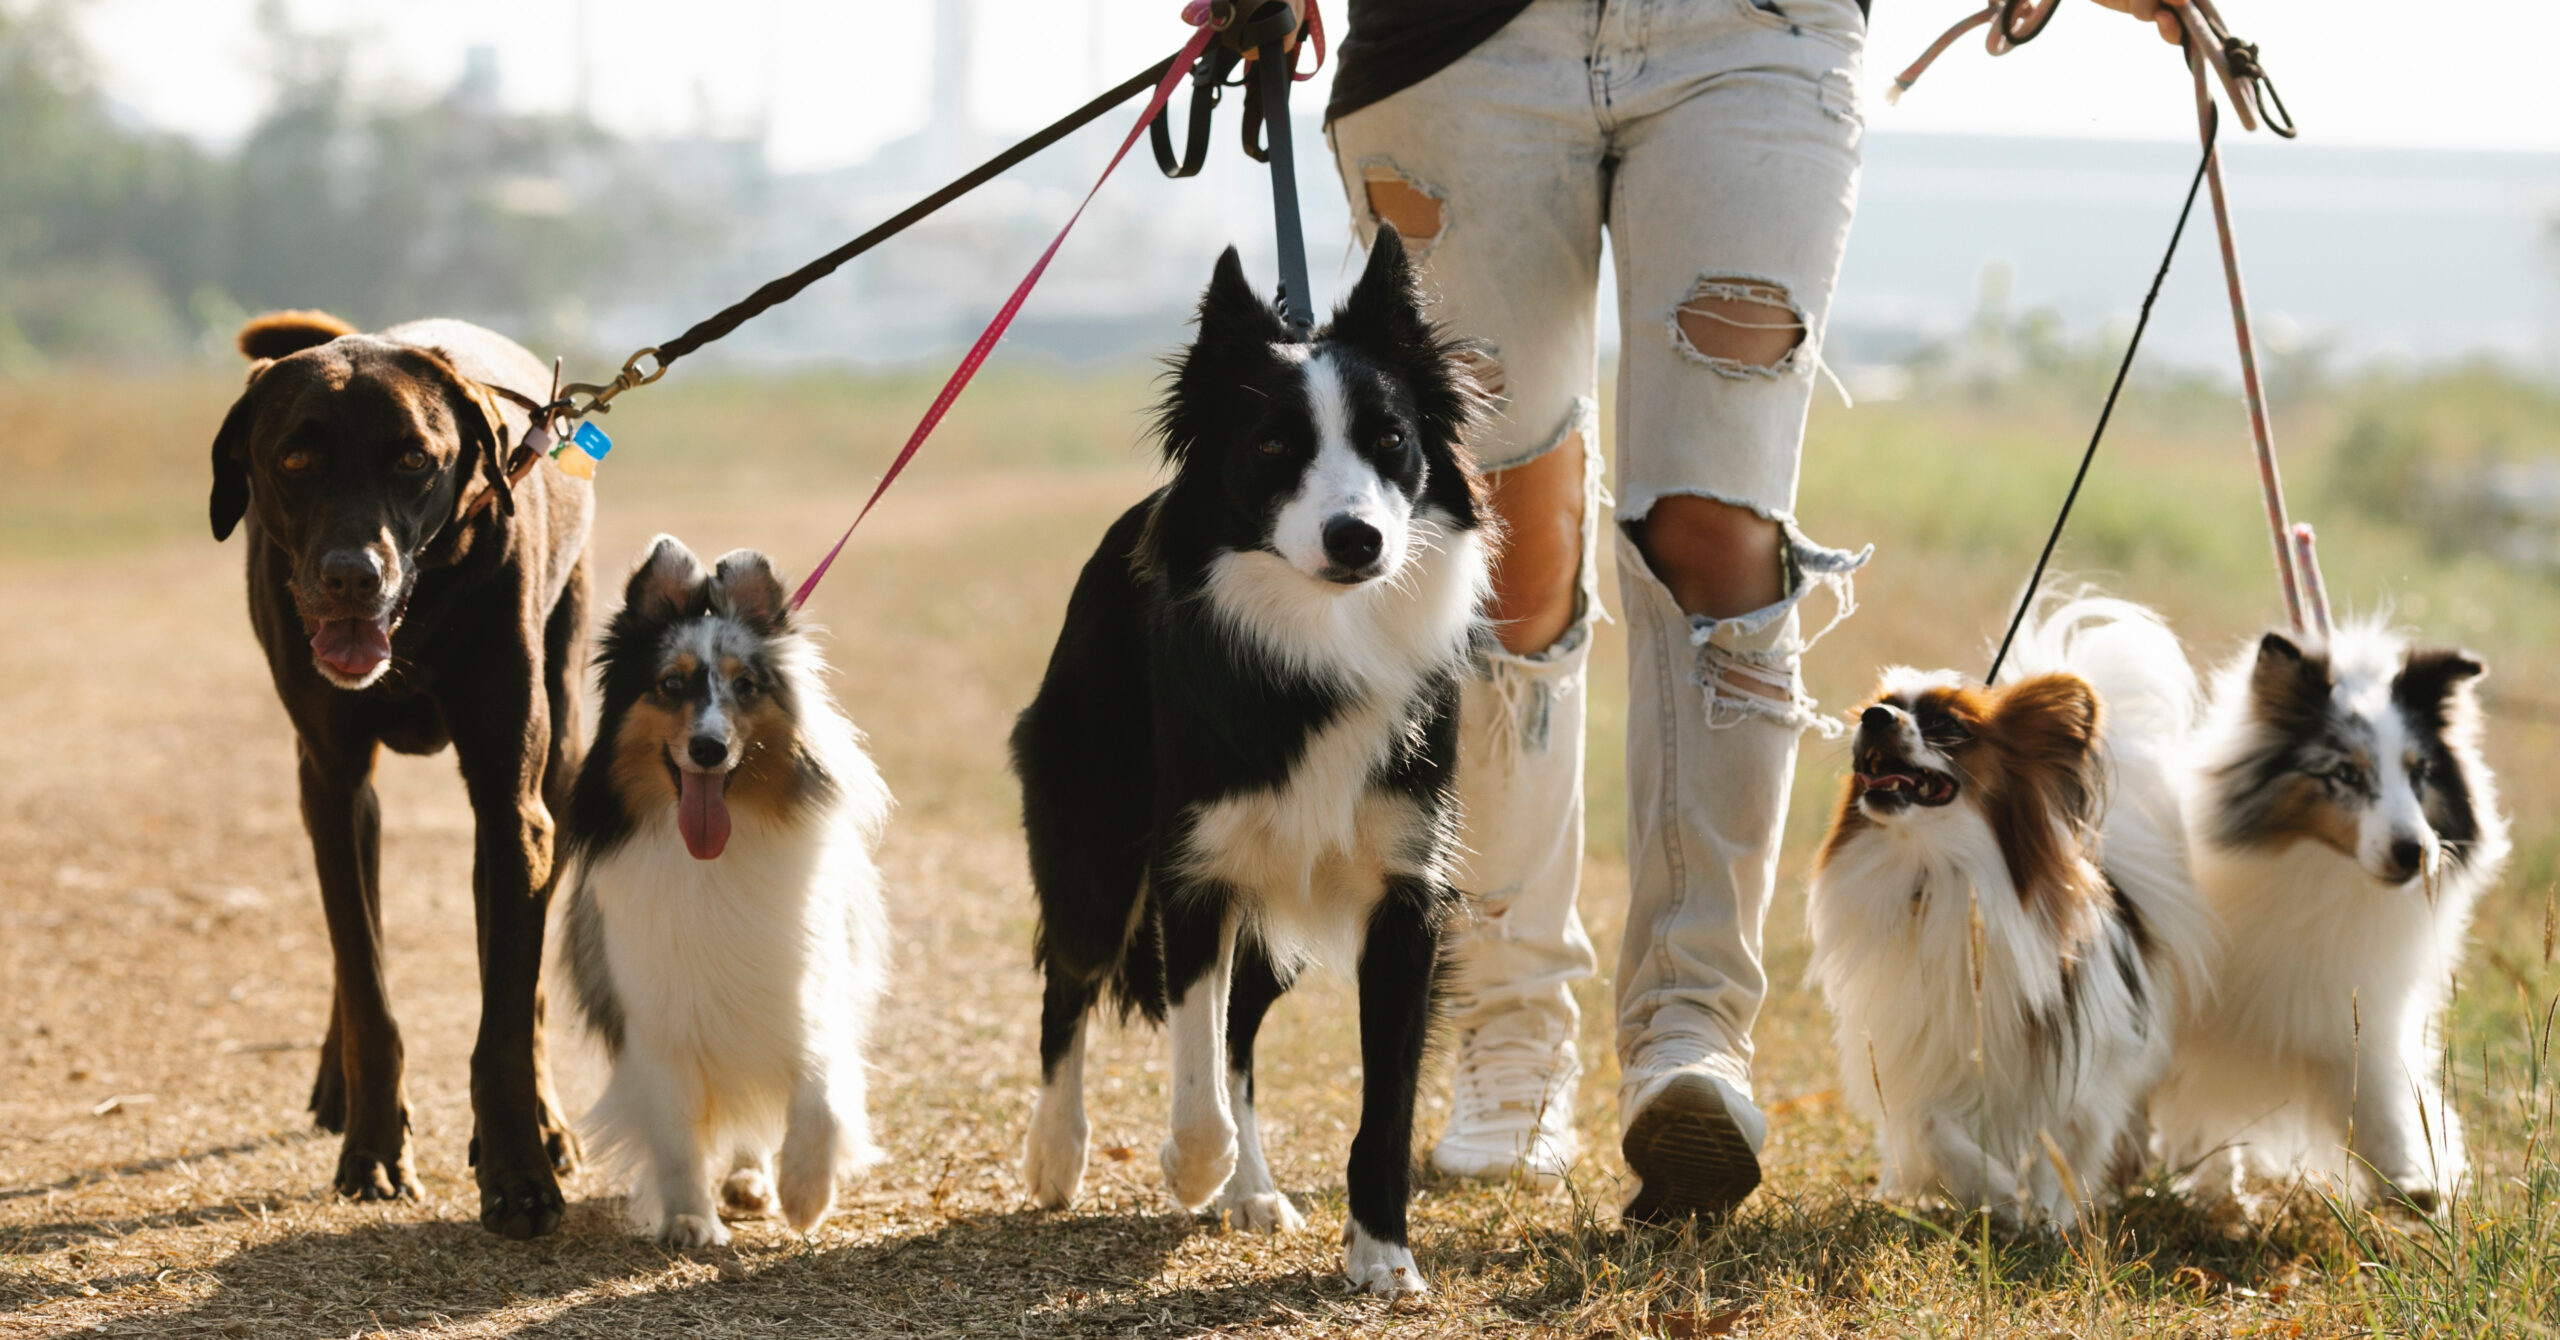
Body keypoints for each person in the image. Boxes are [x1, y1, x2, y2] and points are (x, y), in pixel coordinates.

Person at [1316, 0, 2196, 1220]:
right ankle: (1512, 1027)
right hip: (1455, 44)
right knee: (1504, 545)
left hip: (1752, 35)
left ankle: (1692, 1032)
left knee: (1719, 528)